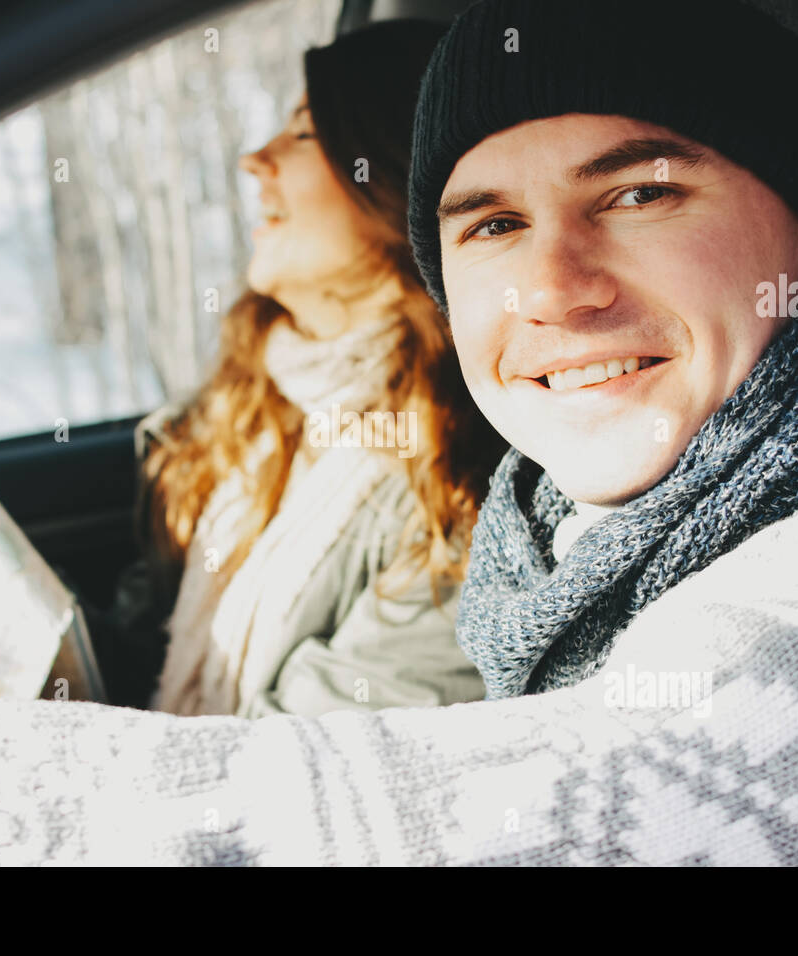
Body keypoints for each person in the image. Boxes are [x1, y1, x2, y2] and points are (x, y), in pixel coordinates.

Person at [0, 1, 798, 868]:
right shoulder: (567, 553)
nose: (557, 287)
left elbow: (403, 822)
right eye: (491, 224)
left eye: (640, 192)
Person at [92, 19, 505, 718]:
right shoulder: (255, 414)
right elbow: (154, 659)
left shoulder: (458, 487)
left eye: (306, 134)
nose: (256, 159)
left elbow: (295, 769)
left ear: (397, 179)